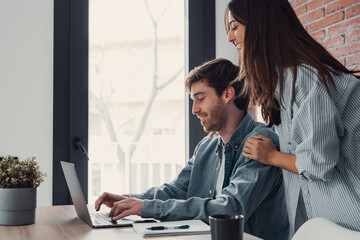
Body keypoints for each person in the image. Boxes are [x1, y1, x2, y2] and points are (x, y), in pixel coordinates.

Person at [95, 58, 288, 240]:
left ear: (227, 94)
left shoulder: (261, 143)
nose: (194, 109)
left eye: (201, 98)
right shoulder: (208, 145)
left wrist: (148, 208)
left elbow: (230, 209)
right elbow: (177, 189)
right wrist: (129, 200)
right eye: (193, 101)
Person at [224, 0, 360, 238]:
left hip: (346, 224)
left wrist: (271, 156)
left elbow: (318, 162)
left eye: (234, 26)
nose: (230, 37)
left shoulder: (305, 78)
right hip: (322, 223)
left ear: (259, 24)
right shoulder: (284, 83)